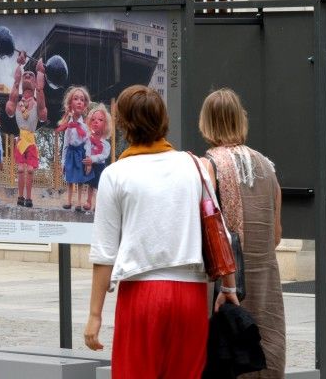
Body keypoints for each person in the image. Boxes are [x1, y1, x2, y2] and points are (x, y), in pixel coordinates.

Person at [85, 85, 239, 378]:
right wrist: (229, 289)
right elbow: (220, 233)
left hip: (141, 293)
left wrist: (95, 315)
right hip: (190, 295)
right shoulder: (194, 166)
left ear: (124, 124)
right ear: (162, 120)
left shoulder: (115, 174)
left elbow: (104, 253)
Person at [198, 88, 286, 379]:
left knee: (230, 360)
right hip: (266, 282)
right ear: (241, 120)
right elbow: (276, 235)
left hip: (227, 287)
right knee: (266, 354)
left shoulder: (207, 166)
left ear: (206, 122)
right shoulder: (267, 166)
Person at [5, 51, 47, 208]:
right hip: (21, 139)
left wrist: (40, 72)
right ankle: (20, 197)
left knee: (30, 170)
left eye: (31, 75)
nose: (28, 77)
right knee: (21, 170)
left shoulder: (37, 102)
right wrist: (19, 64)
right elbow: (10, 105)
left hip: (31, 140)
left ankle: (29, 198)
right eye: (25, 75)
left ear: (35, 81)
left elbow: (43, 114)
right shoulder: (16, 99)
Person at [56, 86, 94, 211]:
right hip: (71, 154)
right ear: (70, 103)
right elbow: (66, 144)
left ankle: (79, 202)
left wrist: (88, 159)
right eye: (76, 99)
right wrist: (62, 162)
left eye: (82, 100)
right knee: (70, 178)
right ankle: (68, 200)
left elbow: (88, 142)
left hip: (81, 153)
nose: (79, 102)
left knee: (80, 178)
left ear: (85, 105)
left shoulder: (85, 125)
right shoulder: (68, 125)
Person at [82, 103, 112, 214]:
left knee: (99, 186)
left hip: (100, 166)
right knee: (90, 185)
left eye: (100, 120)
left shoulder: (105, 143)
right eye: (93, 119)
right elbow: (87, 149)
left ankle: (98, 204)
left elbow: (104, 155)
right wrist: (88, 160)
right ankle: (88, 201)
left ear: (106, 124)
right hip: (91, 165)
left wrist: (93, 159)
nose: (96, 121)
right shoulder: (89, 139)